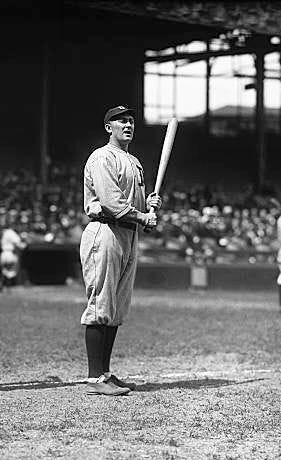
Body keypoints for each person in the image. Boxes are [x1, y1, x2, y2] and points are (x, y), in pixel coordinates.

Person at [79, 105, 160, 396]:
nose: (128, 124)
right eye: (120, 120)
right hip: (105, 231)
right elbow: (112, 203)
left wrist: (149, 206)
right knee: (101, 303)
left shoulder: (134, 161)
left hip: (127, 234)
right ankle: (94, 379)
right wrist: (141, 216)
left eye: (131, 120)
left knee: (116, 307)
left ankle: (105, 373)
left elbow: (133, 206)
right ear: (108, 127)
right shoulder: (102, 157)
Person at [0, 226, 27, 292]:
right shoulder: (12, 233)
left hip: (3, 253)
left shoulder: (6, 232)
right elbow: (18, 245)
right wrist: (24, 244)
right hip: (10, 253)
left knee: (5, 271)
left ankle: (1, 284)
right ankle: (7, 287)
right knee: (10, 271)